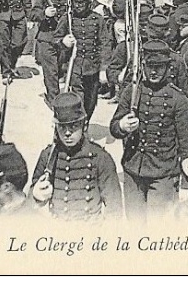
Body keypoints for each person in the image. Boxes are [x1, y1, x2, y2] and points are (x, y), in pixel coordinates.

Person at [110, 39, 188, 221]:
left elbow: (185, 144)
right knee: (134, 224)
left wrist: (186, 183)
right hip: (134, 169)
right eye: (150, 66)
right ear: (143, 65)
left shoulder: (178, 100)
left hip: (162, 174)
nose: (154, 71)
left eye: (160, 67)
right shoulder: (132, 93)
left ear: (168, 67)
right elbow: (114, 127)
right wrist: (122, 126)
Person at [31, 92, 123, 222]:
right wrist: (37, 195)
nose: (67, 133)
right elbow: (31, 201)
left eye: (73, 126)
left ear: (84, 125)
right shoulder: (48, 156)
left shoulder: (100, 158)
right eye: (62, 127)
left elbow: (114, 207)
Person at [58, 0, 112, 121]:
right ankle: (79, 127)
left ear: (89, 2)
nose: (79, 6)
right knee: (78, 99)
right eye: (76, 2)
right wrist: (63, 42)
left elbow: (105, 42)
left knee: (91, 101)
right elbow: (55, 39)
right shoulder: (68, 19)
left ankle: (85, 123)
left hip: (93, 67)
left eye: (82, 3)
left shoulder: (98, 19)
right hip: (74, 66)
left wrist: (104, 68)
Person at [31, 0, 69, 105]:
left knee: (60, 69)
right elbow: (33, 14)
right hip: (47, 37)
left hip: (62, 38)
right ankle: (54, 100)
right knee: (51, 71)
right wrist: (45, 14)